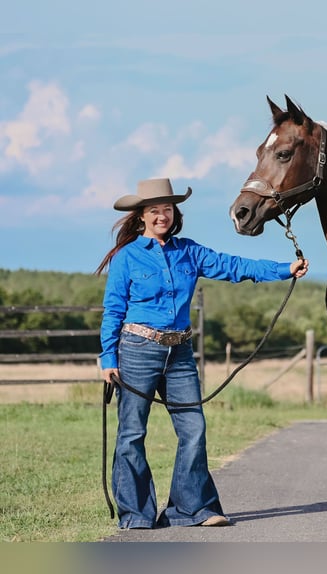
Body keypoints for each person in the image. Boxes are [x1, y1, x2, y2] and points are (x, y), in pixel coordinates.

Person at [96, 178, 308, 529]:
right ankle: (136, 515)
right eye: (154, 211)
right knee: (132, 432)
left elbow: (235, 266)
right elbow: (113, 310)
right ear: (141, 217)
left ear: (174, 213)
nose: (162, 216)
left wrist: (284, 269)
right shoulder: (126, 257)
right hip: (137, 349)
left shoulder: (189, 252)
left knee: (193, 428)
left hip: (179, 352)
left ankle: (192, 509)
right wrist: (108, 358)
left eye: (167, 209)